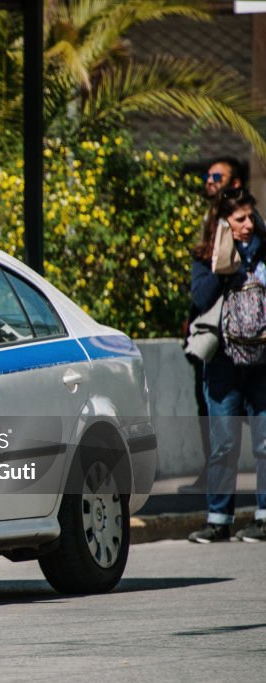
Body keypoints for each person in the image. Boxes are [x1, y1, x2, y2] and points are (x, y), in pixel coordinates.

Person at [188, 186, 266, 542]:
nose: (247, 225)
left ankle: (264, 517)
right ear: (223, 223)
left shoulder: (264, 252)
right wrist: (223, 267)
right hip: (223, 363)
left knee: (265, 443)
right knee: (224, 443)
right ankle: (219, 519)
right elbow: (199, 299)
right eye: (240, 219)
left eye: (251, 217)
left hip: (262, 362)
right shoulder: (206, 258)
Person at [180, 157, 250, 493]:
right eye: (207, 176)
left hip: (251, 344)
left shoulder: (252, 232)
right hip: (216, 344)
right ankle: (218, 502)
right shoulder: (209, 229)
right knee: (214, 418)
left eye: (216, 176)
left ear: (235, 184)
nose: (208, 181)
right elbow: (201, 290)